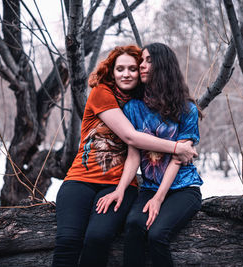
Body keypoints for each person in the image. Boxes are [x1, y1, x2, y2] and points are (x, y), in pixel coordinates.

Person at [52, 45, 197, 267]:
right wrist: (178, 147)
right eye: (120, 69)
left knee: (99, 237)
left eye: (133, 68)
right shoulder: (109, 96)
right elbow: (132, 140)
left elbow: (150, 150)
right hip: (82, 178)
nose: (127, 73)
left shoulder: (153, 103)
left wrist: (127, 191)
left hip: (127, 183)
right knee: (68, 241)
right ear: (112, 71)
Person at [96, 43, 203, 267]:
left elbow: (178, 158)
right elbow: (134, 156)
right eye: (142, 61)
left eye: (148, 61)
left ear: (163, 66)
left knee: (157, 235)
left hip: (183, 188)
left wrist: (159, 199)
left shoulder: (187, 109)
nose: (141, 65)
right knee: (134, 225)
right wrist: (120, 190)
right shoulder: (133, 108)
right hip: (149, 187)